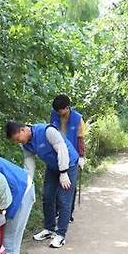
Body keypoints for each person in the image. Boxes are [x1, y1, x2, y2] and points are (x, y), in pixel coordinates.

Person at [5, 121, 78, 248]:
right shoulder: (25, 144)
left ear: (23, 130)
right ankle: (49, 229)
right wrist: (27, 182)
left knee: (64, 199)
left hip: (68, 164)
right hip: (53, 167)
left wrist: (64, 172)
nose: (18, 142)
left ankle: (60, 235)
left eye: (18, 139)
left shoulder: (47, 131)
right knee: (47, 196)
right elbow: (29, 162)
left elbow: (62, 149)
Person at [50, 94, 86, 222]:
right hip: (57, 154)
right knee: (55, 185)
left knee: (70, 186)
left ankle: (68, 214)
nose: (58, 113)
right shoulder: (54, 114)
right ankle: (57, 212)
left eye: (60, 111)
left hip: (72, 156)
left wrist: (81, 156)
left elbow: (80, 139)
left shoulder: (77, 119)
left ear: (67, 108)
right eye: (56, 111)